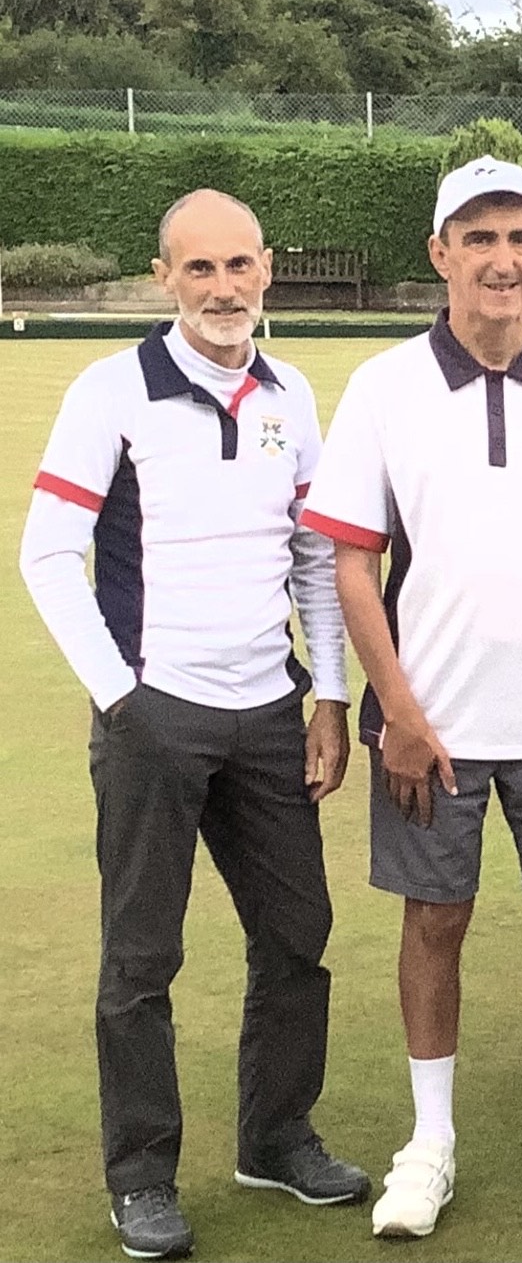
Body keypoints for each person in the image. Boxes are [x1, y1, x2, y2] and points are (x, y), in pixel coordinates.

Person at [300, 157, 522, 1235]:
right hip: (431, 727)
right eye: (479, 238)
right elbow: (350, 564)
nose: (501, 259)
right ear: (440, 254)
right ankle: (432, 1142)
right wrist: (397, 711)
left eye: (520, 237)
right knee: (436, 920)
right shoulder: (384, 385)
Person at [21, 190, 366, 1260]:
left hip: (268, 709)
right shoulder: (110, 389)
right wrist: (121, 693)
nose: (224, 289)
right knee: (140, 959)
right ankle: (141, 1177)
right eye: (200, 270)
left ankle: (274, 1137)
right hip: (154, 712)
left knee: (296, 935)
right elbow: (47, 552)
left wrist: (330, 694)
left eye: (240, 267)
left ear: (267, 268)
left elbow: (314, 556)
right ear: (166, 277)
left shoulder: (289, 389)